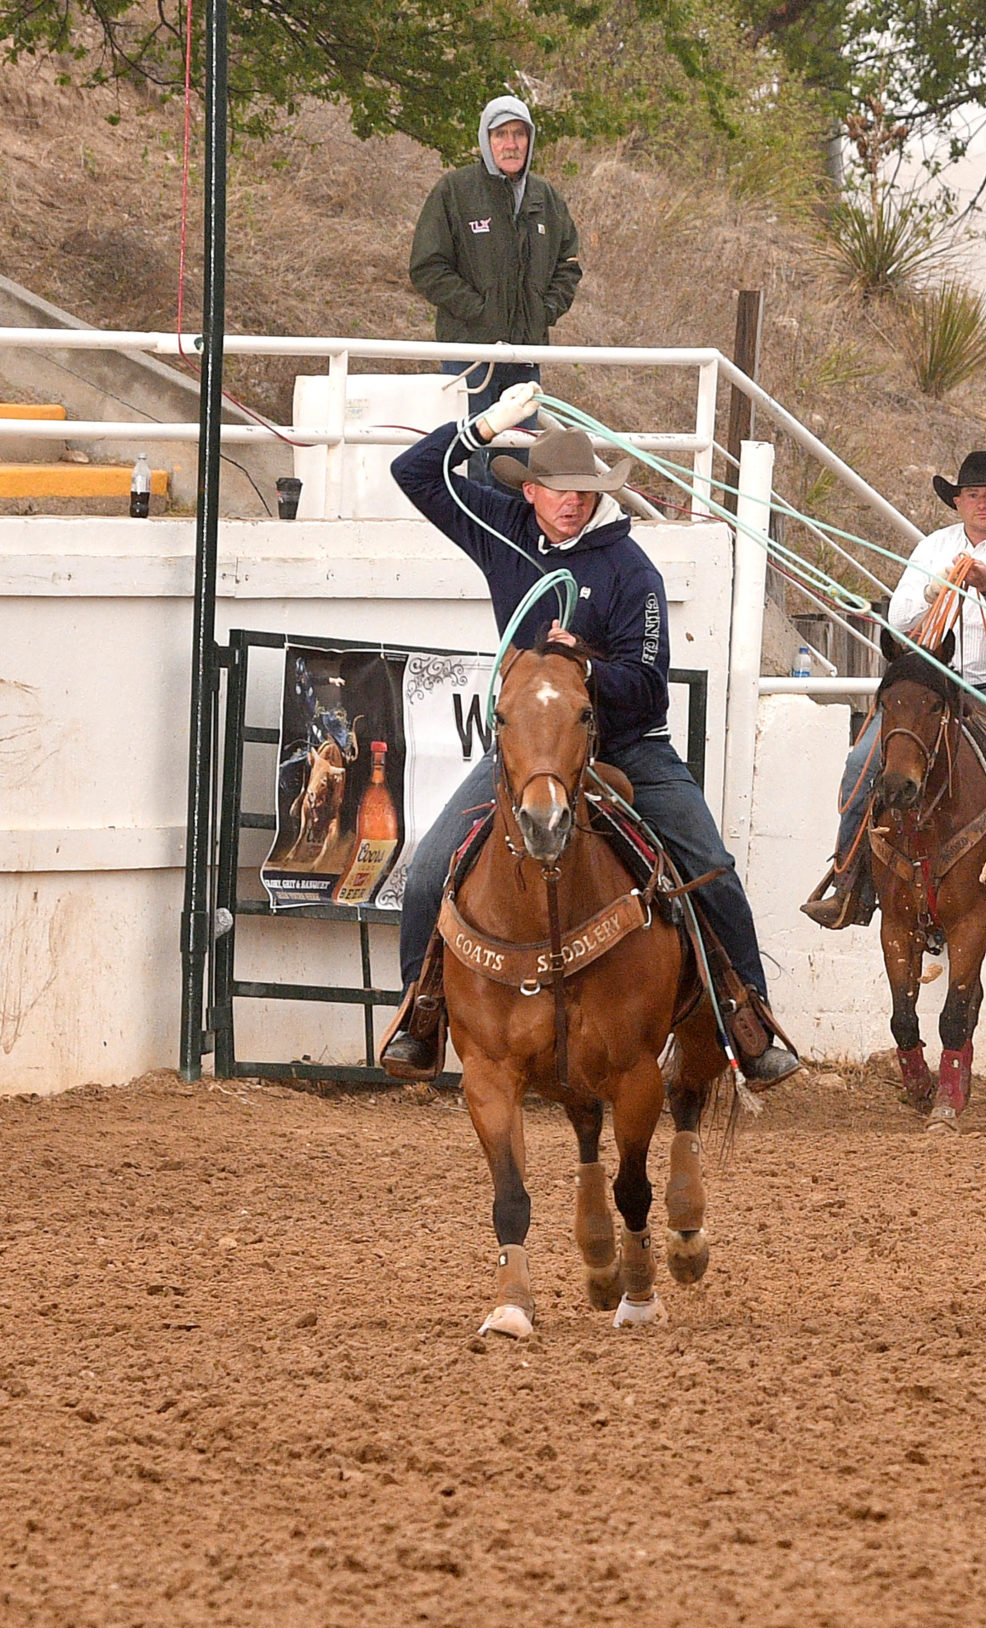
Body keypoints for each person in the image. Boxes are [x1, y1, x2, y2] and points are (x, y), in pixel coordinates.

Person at [377, 383, 798, 1085]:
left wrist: (588, 671)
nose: (570, 502)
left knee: (709, 867)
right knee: (427, 872)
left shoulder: (632, 571)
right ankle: (422, 1012)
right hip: (531, 753)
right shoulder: (503, 527)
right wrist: (482, 428)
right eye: (554, 488)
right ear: (531, 490)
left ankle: (748, 1014)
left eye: (582, 490)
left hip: (626, 746)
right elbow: (413, 475)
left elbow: (650, 681)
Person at [808, 451, 986, 932]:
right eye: (972, 495)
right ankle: (846, 878)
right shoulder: (932, 549)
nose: (982, 504)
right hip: (934, 682)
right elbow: (897, 622)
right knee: (862, 762)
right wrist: (931, 592)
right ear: (958, 502)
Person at [409, 95, 582, 481]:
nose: (510, 143)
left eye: (518, 133)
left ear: (530, 140)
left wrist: (543, 310)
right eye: (501, 134)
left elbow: (568, 266)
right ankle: (469, 536)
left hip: (524, 358)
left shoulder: (547, 199)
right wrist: (480, 311)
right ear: (486, 140)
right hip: (469, 358)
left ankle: (511, 538)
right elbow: (427, 267)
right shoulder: (455, 191)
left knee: (517, 462)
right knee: (471, 458)